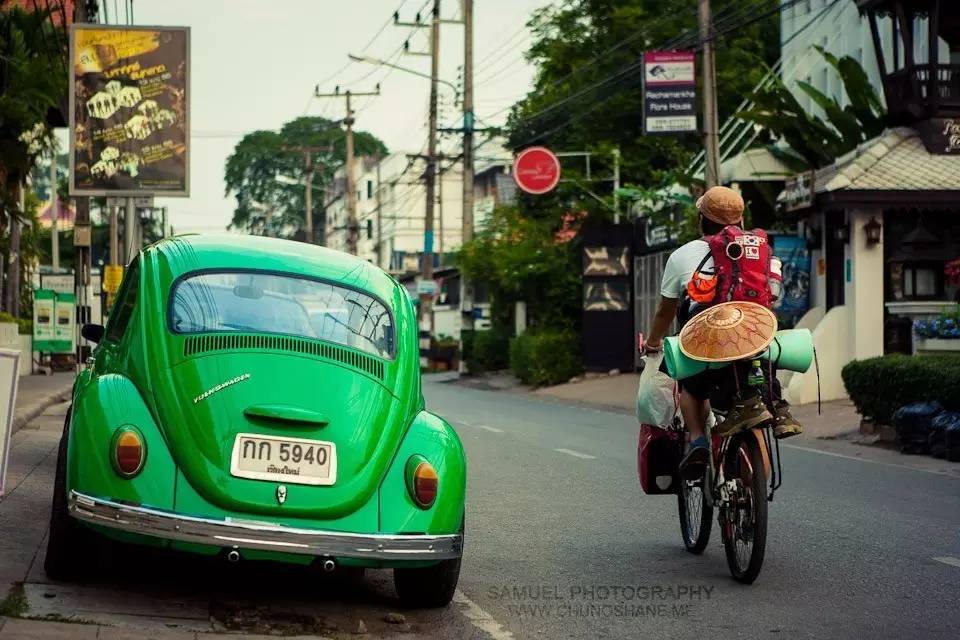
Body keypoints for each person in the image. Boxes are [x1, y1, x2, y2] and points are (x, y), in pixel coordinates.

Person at [644, 186, 802, 480]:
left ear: (701, 220)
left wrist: (653, 342)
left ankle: (698, 441)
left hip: (709, 339)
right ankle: (775, 414)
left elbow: (666, 310)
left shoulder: (682, 255)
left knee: (691, 388)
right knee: (759, 388)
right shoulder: (763, 252)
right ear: (741, 220)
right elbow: (775, 296)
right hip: (755, 334)